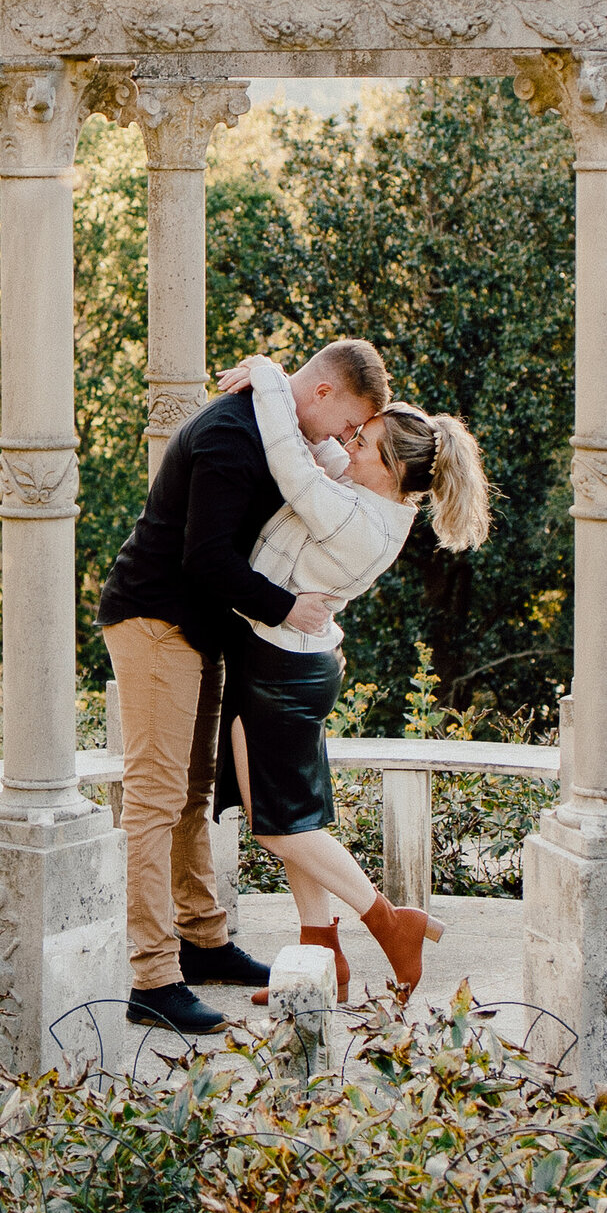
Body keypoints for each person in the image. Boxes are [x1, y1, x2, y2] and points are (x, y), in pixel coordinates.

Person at [97, 340, 393, 1035]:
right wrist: (288, 608)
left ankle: (203, 944)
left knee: (193, 795)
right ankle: (153, 978)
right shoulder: (232, 437)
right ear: (321, 393)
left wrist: (265, 370)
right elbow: (205, 559)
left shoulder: (277, 423)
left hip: (197, 629)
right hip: (155, 618)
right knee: (155, 799)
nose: (346, 439)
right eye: (347, 422)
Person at [211, 354, 492, 1006]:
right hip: (288, 659)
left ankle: (390, 922)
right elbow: (319, 457)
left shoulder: (357, 518)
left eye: (361, 441)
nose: (347, 442)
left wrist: (273, 377)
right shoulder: (373, 498)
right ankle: (323, 958)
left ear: (392, 469)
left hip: (281, 668)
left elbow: (289, 458)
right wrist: (298, 397)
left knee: (280, 827)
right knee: (294, 820)